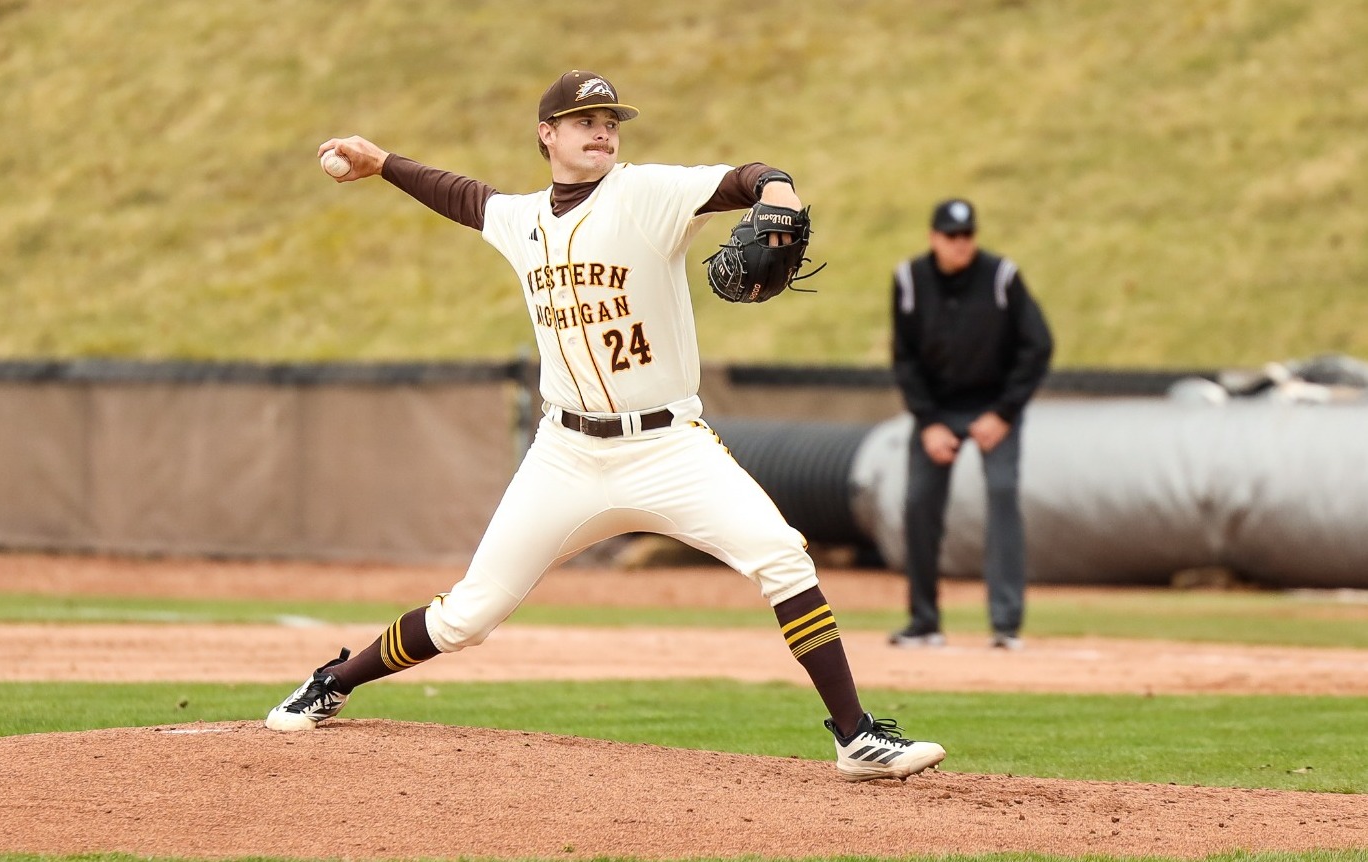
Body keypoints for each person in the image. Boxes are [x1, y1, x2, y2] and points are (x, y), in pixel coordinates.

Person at [266, 69, 946, 782]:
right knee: (467, 617)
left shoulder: (648, 194)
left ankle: (855, 736)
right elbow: (464, 197)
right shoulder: (523, 219)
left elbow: (742, 179)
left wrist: (776, 184)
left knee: (782, 557)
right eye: (584, 119)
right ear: (546, 135)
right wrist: (382, 165)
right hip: (565, 455)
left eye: (611, 120)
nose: (602, 130)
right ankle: (335, 680)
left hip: (668, 446)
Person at [887, 199, 1054, 651]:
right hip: (937, 412)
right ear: (934, 237)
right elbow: (905, 359)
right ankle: (924, 621)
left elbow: (1037, 345)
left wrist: (1003, 413)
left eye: (967, 235)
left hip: (994, 406)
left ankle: (1006, 624)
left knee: (1002, 493)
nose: (961, 244)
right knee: (918, 501)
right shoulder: (909, 280)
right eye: (951, 236)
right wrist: (928, 421)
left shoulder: (1002, 277)